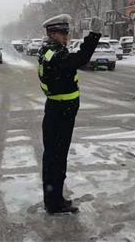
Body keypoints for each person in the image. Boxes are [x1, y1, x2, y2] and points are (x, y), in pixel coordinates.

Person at [37, 14, 102, 215]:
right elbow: (80, 59)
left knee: (54, 158)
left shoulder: (52, 50)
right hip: (59, 113)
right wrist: (94, 35)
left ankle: (54, 199)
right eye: (63, 33)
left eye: (67, 32)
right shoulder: (53, 53)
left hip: (59, 111)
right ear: (52, 33)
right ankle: (54, 203)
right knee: (56, 159)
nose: (67, 36)